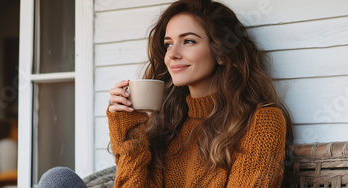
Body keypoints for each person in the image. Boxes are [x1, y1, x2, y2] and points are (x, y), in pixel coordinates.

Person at [107, 0, 292, 187]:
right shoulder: (166, 126)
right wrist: (127, 129)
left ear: (221, 52)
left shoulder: (260, 122)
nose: (172, 54)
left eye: (188, 41)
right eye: (169, 44)